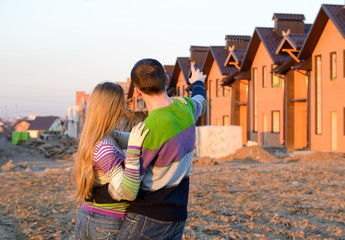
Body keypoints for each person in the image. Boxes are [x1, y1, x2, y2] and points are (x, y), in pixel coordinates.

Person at [116, 59, 207, 240]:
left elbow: (129, 190)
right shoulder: (185, 107)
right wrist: (197, 82)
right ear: (166, 80)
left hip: (148, 217)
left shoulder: (147, 130)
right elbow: (201, 100)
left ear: (137, 92)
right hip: (177, 215)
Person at [73, 82, 149, 240]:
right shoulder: (104, 147)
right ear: (114, 108)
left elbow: (140, 137)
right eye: (122, 103)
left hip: (88, 218)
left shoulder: (105, 136)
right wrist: (133, 153)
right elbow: (126, 192)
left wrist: (170, 105)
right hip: (105, 224)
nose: (125, 107)